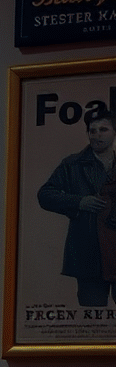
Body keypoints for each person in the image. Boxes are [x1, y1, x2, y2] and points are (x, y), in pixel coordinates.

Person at [37, 110, 116, 307]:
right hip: (89, 252)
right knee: (92, 315)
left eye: (103, 129)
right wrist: (79, 202)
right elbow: (45, 195)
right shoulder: (73, 165)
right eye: (92, 130)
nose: (97, 135)